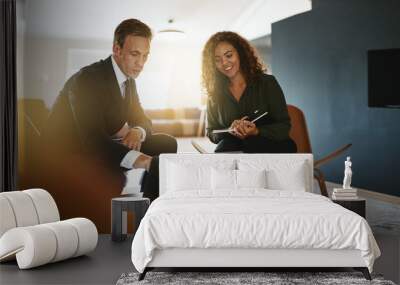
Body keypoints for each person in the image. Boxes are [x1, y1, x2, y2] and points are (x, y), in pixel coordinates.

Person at [40, 19, 177, 231]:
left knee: (166, 145)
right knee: (151, 163)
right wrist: (141, 160)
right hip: (73, 151)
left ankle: (150, 212)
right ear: (117, 49)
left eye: (145, 56)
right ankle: (129, 221)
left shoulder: (128, 80)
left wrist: (137, 132)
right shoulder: (87, 79)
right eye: (134, 54)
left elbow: (143, 119)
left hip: (107, 142)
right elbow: (92, 140)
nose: (140, 63)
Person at [201, 31, 296, 153]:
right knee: (224, 149)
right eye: (217, 60)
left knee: (251, 144)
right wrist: (229, 130)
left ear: (240, 53)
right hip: (234, 147)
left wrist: (257, 131)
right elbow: (211, 132)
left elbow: (284, 127)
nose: (224, 63)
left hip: (272, 147)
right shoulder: (214, 94)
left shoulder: (267, 83)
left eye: (229, 55)